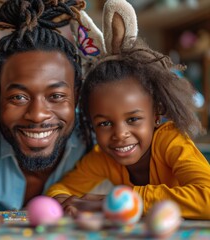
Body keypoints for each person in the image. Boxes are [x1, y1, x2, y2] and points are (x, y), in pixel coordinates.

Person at [46, 38, 210, 219]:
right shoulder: (103, 158)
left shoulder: (171, 141)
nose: (120, 134)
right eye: (105, 123)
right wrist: (63, 201)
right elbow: (59, 189)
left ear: (156, 115)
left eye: (133, 119)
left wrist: (117, 202)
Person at [0, 0, 104, 211]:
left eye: (56, 96)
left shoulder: (101, 148)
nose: (38, 115)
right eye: (19, 97)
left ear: (77, 96)